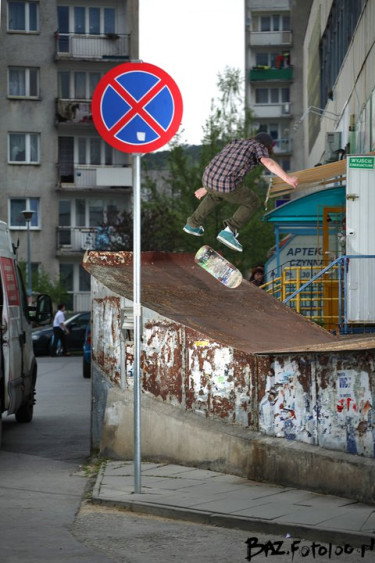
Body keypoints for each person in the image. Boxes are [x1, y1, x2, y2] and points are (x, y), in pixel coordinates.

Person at [183, 133, 299, 252]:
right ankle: (229, 231)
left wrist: (206, 187)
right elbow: (269, 163)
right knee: (252, 202)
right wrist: (288, 179)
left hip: (208, 178)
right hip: (225, 183)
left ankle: (192, 224)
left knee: (215, 196)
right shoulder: (258, 146)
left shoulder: (236, 142)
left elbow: (223, 165)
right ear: (267, 145)